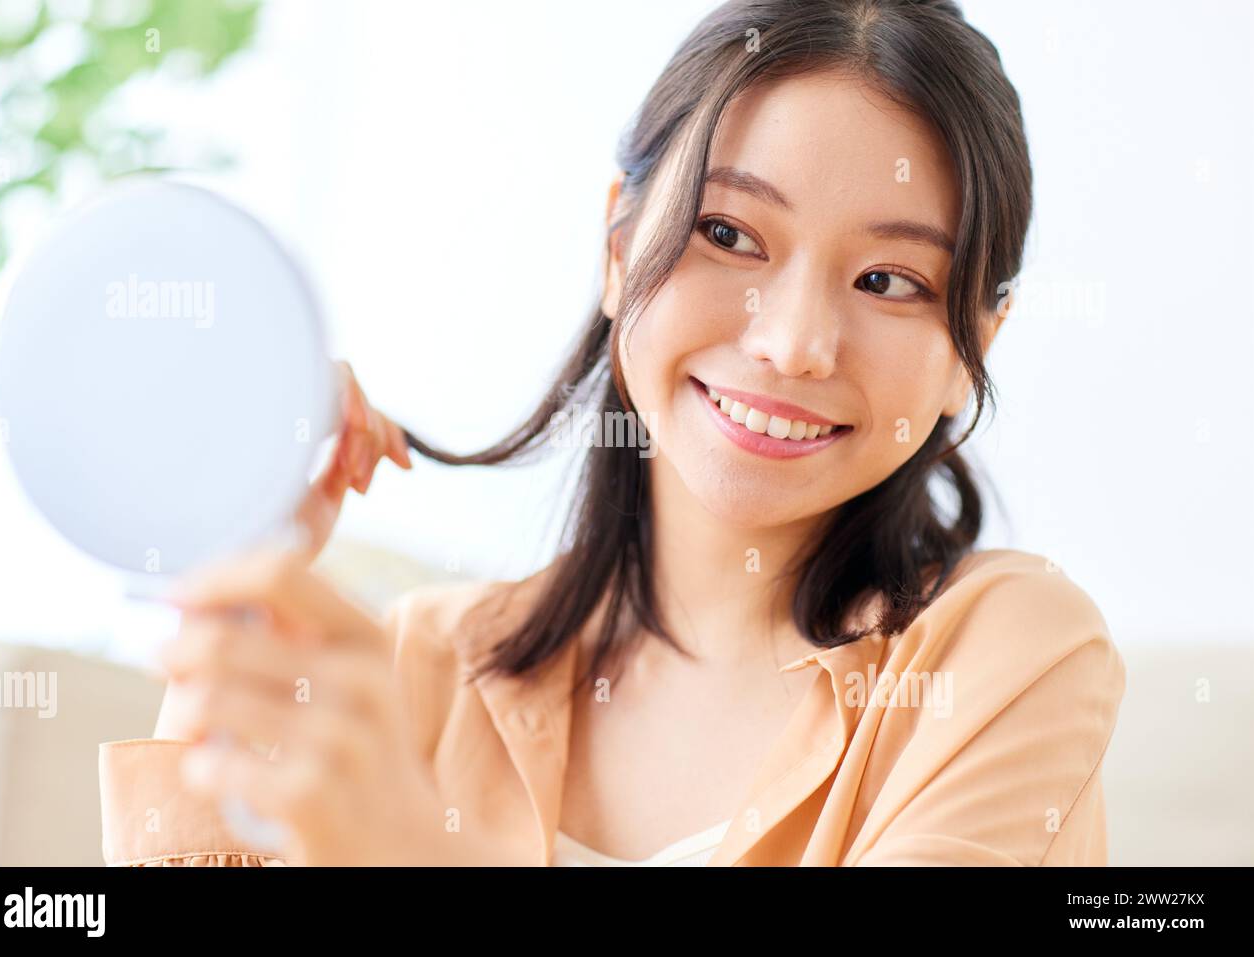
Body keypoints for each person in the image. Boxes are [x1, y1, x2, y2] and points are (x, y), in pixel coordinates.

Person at [99, 0, 1126, 867]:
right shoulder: (415, 668)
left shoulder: (1005, 655)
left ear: (970, 347)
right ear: (617, 244)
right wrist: (236, 574)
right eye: (728, 234)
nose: (794, 343)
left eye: (889, 281)